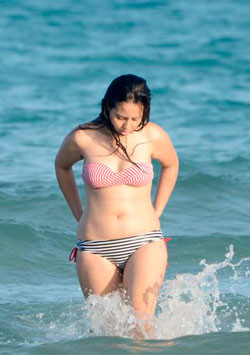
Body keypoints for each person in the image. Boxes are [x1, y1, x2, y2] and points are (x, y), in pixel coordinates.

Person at [55, 74, 178, 335]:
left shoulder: (152, 135)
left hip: (144, 241)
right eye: (121, 117)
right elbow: (62, 166)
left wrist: (157, 211)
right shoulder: (83, 137)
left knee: (141, 326)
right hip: (95, 247)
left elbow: (171, 164)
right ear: (107, 106)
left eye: (136, 118)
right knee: (105, 332)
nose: (127, 125)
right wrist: (79, 213)